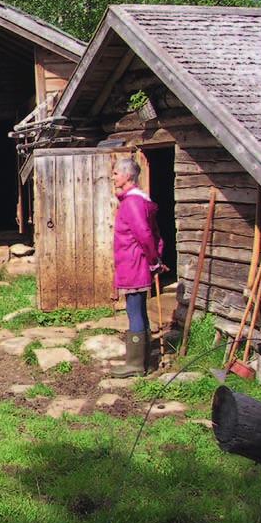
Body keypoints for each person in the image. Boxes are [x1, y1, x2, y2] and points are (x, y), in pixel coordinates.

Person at [110, 157, 165, 377]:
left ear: (127, 176)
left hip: (134, 263)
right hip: (135, 262)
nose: (113, 177)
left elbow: (144, 234)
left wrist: (153, 261)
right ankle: (145, 361)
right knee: (139, 309)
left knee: (134, 310)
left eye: (116, 173)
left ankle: (135, 364)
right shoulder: (137, 200)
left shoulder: (132, 202)